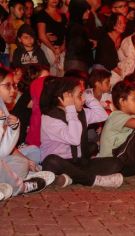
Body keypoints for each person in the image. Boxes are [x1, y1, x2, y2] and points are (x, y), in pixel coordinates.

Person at [40, 76, 124, 188]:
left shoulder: (81, 113)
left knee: (116, 163)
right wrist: (70, 108)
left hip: (79, 162)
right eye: (80, 95)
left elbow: (102, 115)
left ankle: (71, 178)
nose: (83, 99)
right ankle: (94, 180)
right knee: (51, 161)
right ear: (66, 97)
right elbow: (74, 139)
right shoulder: (49, 119)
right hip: (62, 163)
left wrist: (88, 97)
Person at [0, 67, 54, 196]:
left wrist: (13, 130)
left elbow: (4, 149)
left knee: (27, 157)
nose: (13, 90)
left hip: (4, 156)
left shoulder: (3, 107)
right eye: (8, 86)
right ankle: (21, 186)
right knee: (19, 162)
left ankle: (8, 183)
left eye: (14, 85)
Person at [36, 0, 67, 76]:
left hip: (61, 50)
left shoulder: (63, 16)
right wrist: (54, 50)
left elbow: (66, 35)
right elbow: (41, 35)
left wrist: (61, 48)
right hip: (48, 48)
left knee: (62, 76)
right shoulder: (42, 14)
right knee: (50, 76)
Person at [64, 0, 93, 72]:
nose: (88, 12)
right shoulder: (77, 27)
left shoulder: (74, 25)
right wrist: (90, 44)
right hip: (77, 63)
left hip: (75, 62)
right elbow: (77, 46)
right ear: (78, 11)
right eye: (85, 10)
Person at [95, 13, 126, 78]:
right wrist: (124, 75)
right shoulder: (105, 40)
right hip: (101, 72)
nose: (123, 25)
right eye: (120, 23)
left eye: (124, 22)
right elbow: (109, 62)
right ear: (113, 25)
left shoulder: (123, 39)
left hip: (115, 72)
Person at [0, 0, 24, 65]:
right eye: (20, 9)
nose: (22, 11)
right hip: (6, 56)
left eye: (23, 9)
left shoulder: (22, 23)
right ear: (12, 9)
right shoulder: (3, 21)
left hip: (18, 57)